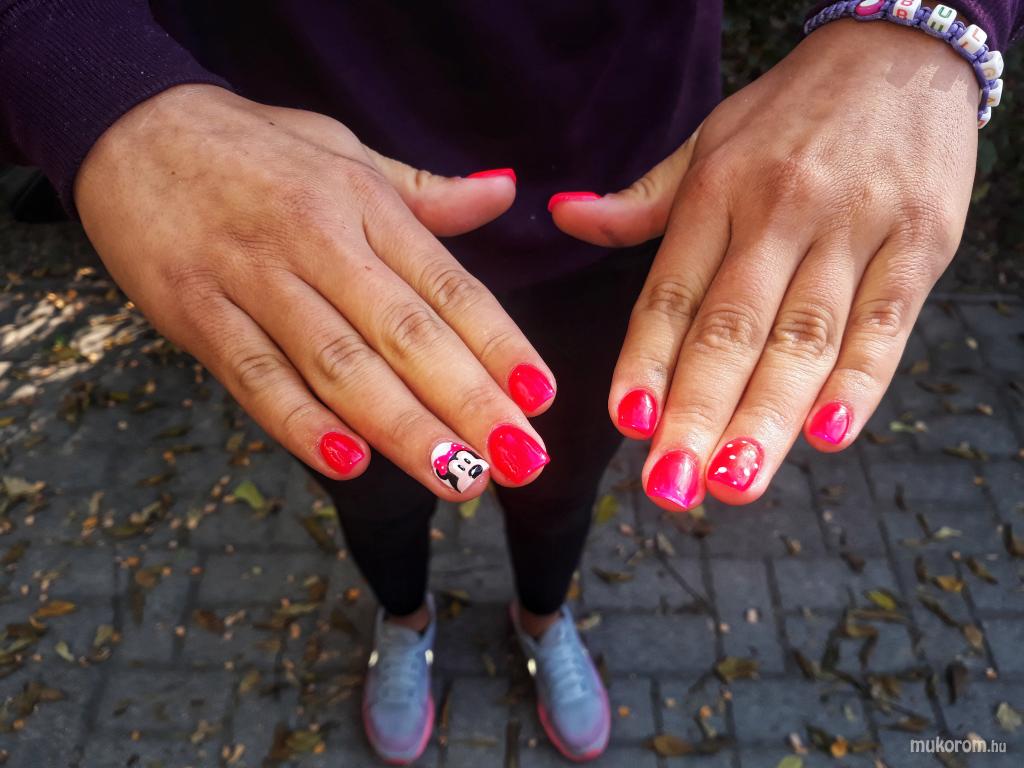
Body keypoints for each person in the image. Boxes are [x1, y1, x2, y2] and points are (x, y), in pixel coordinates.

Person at [1, 1, 1019, 763]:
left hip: (616, 206)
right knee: (372, 485)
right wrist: (100, 87)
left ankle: (542, 621)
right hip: (297, 208)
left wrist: (920, 32)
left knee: (559, 485)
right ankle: (405, 624)